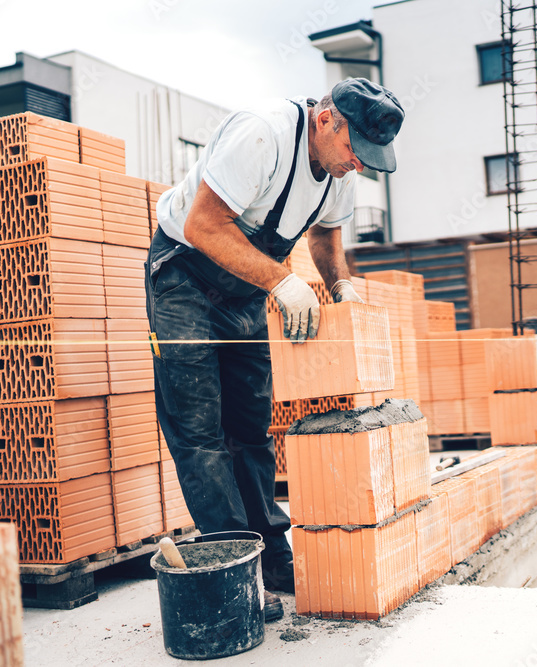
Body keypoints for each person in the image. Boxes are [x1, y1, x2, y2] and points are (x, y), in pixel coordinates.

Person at [145, 78, 405, 622]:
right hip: (185, 280)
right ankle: (235, 566)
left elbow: (325, 238)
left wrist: (340, 287)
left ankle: (272, 554)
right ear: (327, 119)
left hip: (244, 289)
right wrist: (282, 283)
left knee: (251, 427)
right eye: (356, 151)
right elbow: (203, 224)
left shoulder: (340, 170)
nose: (359, 165)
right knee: (201, 433)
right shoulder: (262, 135)